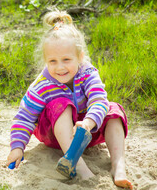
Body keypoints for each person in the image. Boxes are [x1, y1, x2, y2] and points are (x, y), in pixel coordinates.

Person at [7, 10, 133, 189]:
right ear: (45, 61)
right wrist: (17, 147)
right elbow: (25, 117)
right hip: (55, 135)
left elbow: (98, 100)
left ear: (80, 57)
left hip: (85, 131)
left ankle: (118, 166)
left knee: (113, 109)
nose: (60, 67)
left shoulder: (88, 73)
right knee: (61, 104)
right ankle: (77, 164)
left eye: (66, 59)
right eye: (52, 61)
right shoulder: (42, 85)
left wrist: (88, 123)